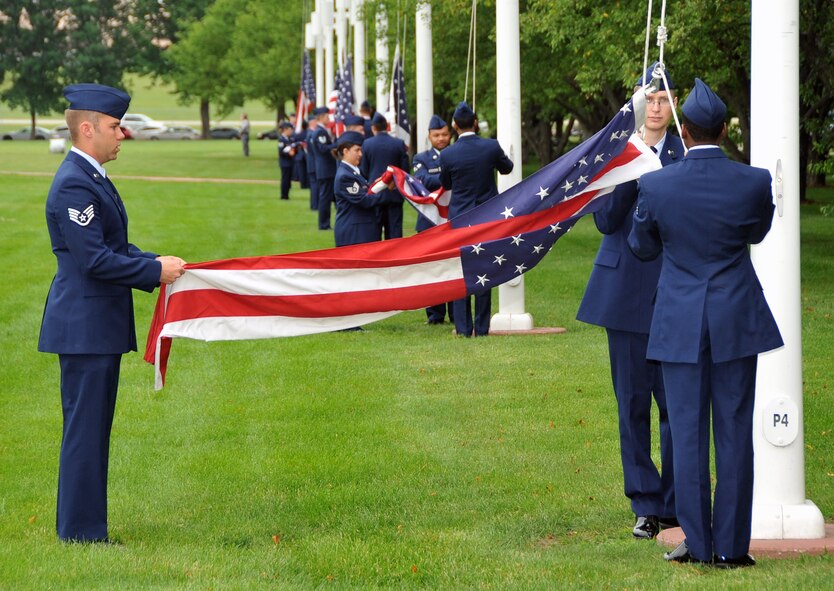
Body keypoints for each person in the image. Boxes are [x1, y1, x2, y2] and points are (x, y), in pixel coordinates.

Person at [628, 78, 783, 567]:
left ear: (686, 131)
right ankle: (733, 547)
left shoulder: (657, 182)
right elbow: (757, 231)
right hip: (737, 316)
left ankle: (696, 541)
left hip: (680, 319)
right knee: (735, 430)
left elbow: (641, 244)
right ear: (721, 129)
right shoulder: (754, 181)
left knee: (689, 432)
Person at [38, 83, 186, 543]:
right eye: (114, 126)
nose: (122, 134)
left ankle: (83, 528)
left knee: (93, 430)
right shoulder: (74, 183)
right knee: (85, 432)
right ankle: (81, 533)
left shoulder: (92, 176)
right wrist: (153, 271)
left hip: (94, 327)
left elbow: (114, 248)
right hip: (84, 329)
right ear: (88, 129)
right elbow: (94, 261)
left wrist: (158, 263)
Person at [576, 64, 683, 539]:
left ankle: (678, 501)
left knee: (677, 404)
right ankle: (644, 501)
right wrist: (631, 165)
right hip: (623, 294)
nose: (656, 108)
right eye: (648, 99)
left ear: (674, 103)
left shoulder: (689, 150)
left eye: (663, 99)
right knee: (633, 404)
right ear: (636, 105)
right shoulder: (616, 152)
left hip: (677, 290)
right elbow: (605, 221)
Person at [439, 101, 513, 337]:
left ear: (454, 126)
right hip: (487, 217)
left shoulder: (447, 153)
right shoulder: (491, 147)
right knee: (484, 269)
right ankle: (481, 328)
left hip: (460, 217)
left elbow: (446, 184)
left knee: (461, 270)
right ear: (474, 123)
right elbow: (507, 169)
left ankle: (462, 328)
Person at [413, 114, 454, 324]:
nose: (441, 138)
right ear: (429, 136)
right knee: (431, 269)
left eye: (445, 134)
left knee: (454, 268)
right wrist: (448, 178)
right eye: (437, 135)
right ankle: (435, 315)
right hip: (429, 221)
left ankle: (456, 313)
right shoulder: (421, 159)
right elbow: (422, 181)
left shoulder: (457, 154)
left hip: (453, 220)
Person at [333, 131, 389, 246]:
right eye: (357, 150)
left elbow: (367, 192)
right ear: (346, 151)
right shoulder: (345, 176)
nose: (361, 154)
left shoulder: (353, 171)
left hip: (361, 230)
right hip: (354, 233)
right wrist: (386, 193)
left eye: (361, 150)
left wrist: (383, 183)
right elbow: (363, 200)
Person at [360, 112, 410, 240]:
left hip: (375, 193)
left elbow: (364, 170)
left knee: (375, 231)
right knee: (394, 232)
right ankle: (395, 258)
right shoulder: (399, 143)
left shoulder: (367, 144)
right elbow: (405, 170)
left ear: (373, 128)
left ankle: (377, 258)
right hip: (395, 193)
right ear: (387, 126)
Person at [310, 106, 338, 230]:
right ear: (321, 117)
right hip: (325, 169)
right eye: (327, 116)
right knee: (325, 198)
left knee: (327, 196)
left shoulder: (321, 131)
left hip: (326, 169)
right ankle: (324, 224)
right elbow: (323, 149)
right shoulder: (319, 132)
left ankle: (325, 223)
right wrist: (336, 144)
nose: (329, 118)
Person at [277, 122, 297, 200]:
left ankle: (287, 194)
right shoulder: (281, 139)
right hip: (285, 162)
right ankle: (284, 195)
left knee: (288, 179)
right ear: (285, 130)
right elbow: (281, 151)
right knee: (285, 179)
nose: (291, 131)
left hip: (290, 162)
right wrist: (289, 153)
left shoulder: (289, 139)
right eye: (290, 129)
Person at [305, 114, 319, 211]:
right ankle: (314, 205)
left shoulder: (311, 133)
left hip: (312, 162)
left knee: (315, 184)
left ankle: (315, 204)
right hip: (313, 163)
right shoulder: (311, 134)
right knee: (314, 185)